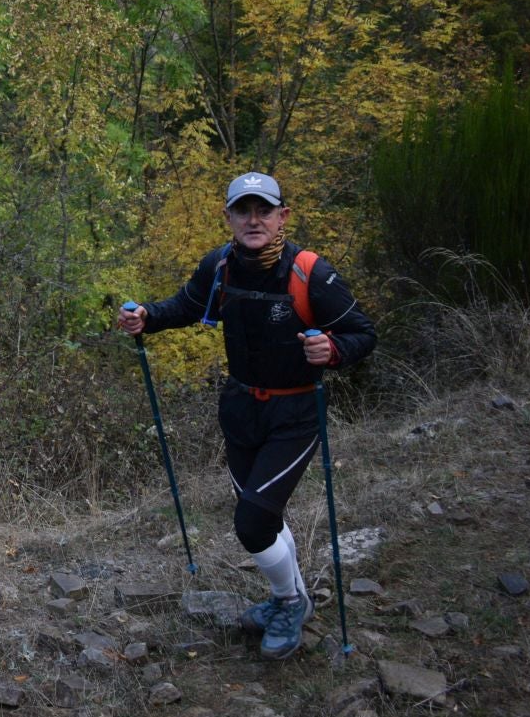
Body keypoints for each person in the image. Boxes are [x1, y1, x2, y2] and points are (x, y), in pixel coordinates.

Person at [116, 172, 375, 660]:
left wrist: (333, 349)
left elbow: (364, 333)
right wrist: (147, 315)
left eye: (264, 210)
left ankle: (289, 601)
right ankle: (291, 598)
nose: (253, 220)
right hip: (239, 408)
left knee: (252, 523)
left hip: (294, 411)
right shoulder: (220, 267)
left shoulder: (310, 273)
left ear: (283, 217)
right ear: (229, 216)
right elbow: (187, 306)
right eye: (243, 210)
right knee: (264, 512)